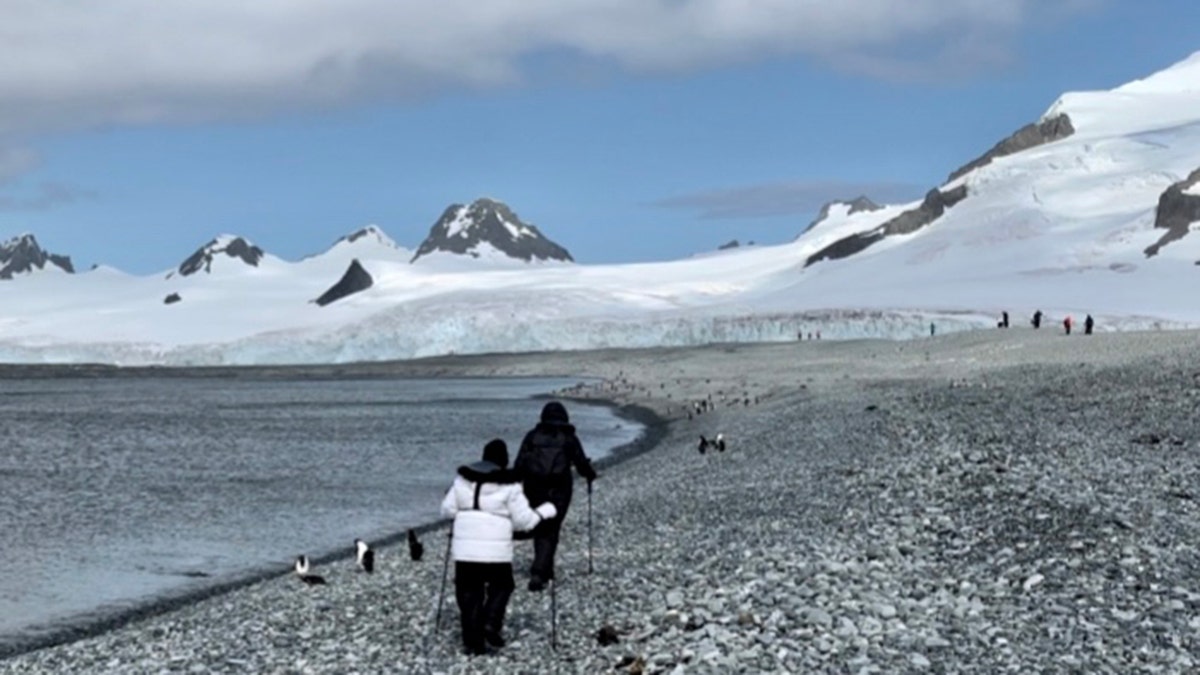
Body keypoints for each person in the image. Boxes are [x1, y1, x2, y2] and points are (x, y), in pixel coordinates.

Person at [440, 439, 556, 656]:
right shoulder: (510, 485)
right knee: (501, 586)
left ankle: (472, 641)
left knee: (468, 592)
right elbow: (524, 522)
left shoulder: (462, 481)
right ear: (504, 461)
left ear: (483, 457)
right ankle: (490, 623)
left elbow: (446, 511)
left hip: (465, 549)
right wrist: (545, 511)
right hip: (496, 550)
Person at [514, 401, 597, 592]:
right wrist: (590, 475)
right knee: (551, 528)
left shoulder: (532, 436)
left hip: (533, 487)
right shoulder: (568, 438)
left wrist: (512, 485)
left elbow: (519, 464)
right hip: (560, 489)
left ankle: (545, 568)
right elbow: (581, 462)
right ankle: (540, 572)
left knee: (540, 524)